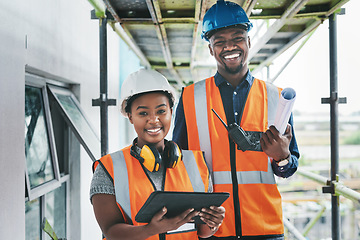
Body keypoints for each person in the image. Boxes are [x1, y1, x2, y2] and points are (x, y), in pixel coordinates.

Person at [172, 1, 300, 239]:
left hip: (265, 228)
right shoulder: (190, 98)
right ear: (211, 49)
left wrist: (282, 156)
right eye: (219, 41)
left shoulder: (276, 98)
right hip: (212, 229)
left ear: (248, 42)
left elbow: (289, 169)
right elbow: (177, 164)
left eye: (237, 37)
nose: (229, 46)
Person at [90, 69, 226, 240]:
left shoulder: (197, 164)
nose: (153, 120)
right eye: (143, 113)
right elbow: (111, 232)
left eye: (161, 111)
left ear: (171, 111)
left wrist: (213, 222)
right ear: (130, 116)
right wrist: (151, 229)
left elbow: (202, 231)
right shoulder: (108, 168)